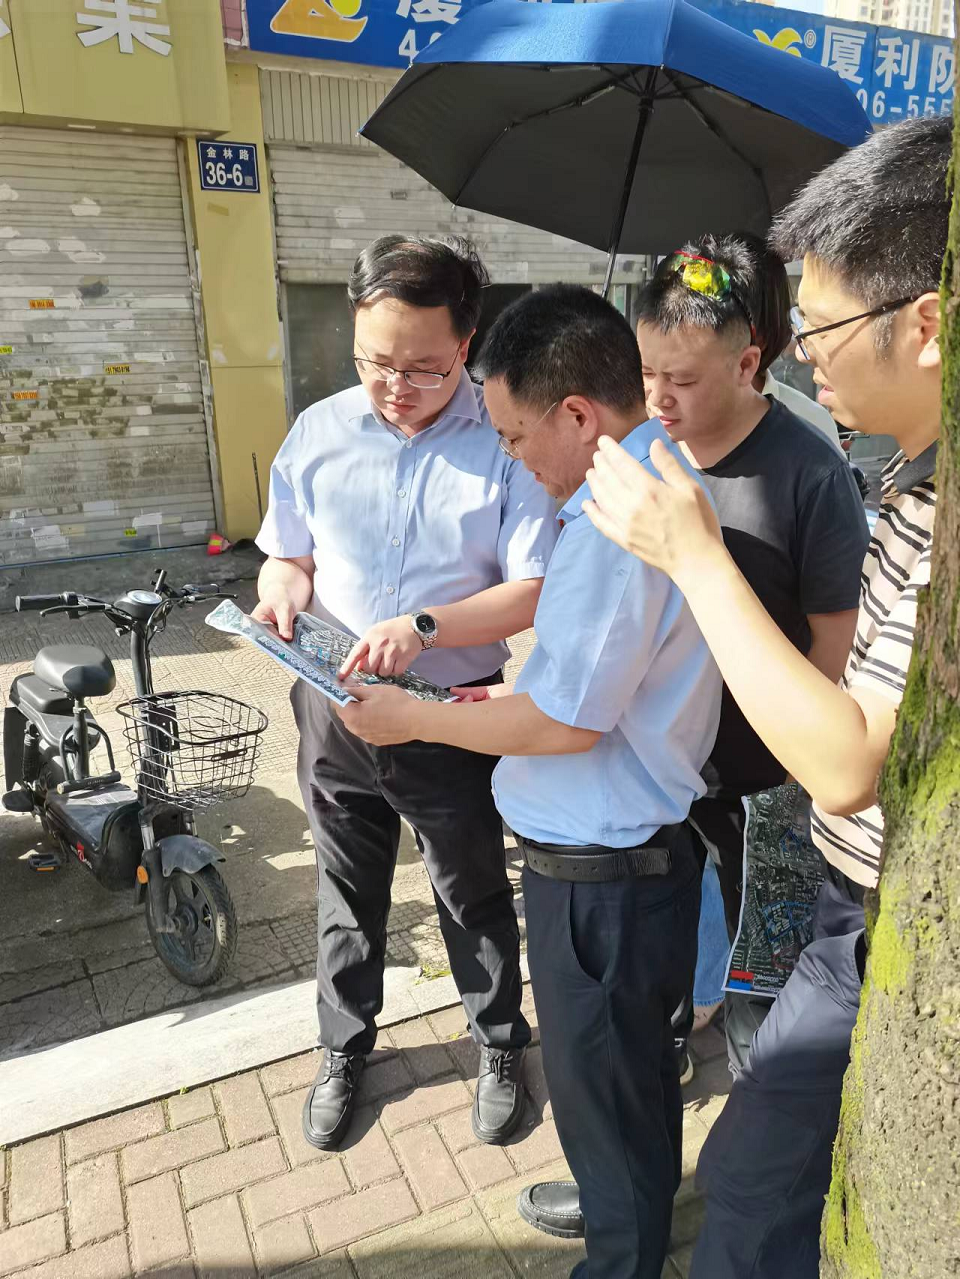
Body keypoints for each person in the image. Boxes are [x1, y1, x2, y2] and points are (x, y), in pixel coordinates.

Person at [583, 115, 946, 1279]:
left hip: (796, 827)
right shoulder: (901, 479)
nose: (808, 355)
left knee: (760, 1090)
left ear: (924, 325)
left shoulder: (823, 478)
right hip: (700, 796)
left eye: (820, 326)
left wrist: (694, 559)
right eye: (646, 377)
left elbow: (842, 731)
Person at [335, 284, 722, 1279]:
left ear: (579, 415)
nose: (511, 457)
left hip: (604, 884)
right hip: (621, 866)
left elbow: (565, 720)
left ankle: (622, 1249)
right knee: (623, 1088)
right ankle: (623, 1210)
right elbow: (580, 691)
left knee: (608, 1093)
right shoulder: (650, 489)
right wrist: (467, 690)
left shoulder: (616, 528)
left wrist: (417, 715)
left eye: (512, 436)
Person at [519, 232, 869, 1246]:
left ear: (750, 361)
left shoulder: (807, 473)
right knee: (640, 1013)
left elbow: (832, 667)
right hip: (646, 797)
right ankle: (628, 1191)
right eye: (645, 375)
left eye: (682, 379)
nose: (657, 399)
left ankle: (753, 1210)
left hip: (761, 804)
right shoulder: (635, 460)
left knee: (762, 1022)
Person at [254, 235, 559, 1152]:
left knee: (470, 886)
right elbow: (287, 553)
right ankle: (343, 1048)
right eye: (375, 361)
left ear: (465, 343)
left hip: (451, 710)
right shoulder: (318, 431)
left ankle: (499, 1039)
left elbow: (533, 587)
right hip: (335, 706)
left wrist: (424, 627)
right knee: (345, 887)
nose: (395, 386)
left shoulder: (505, 438)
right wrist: (281, 591)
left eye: (423, 368)